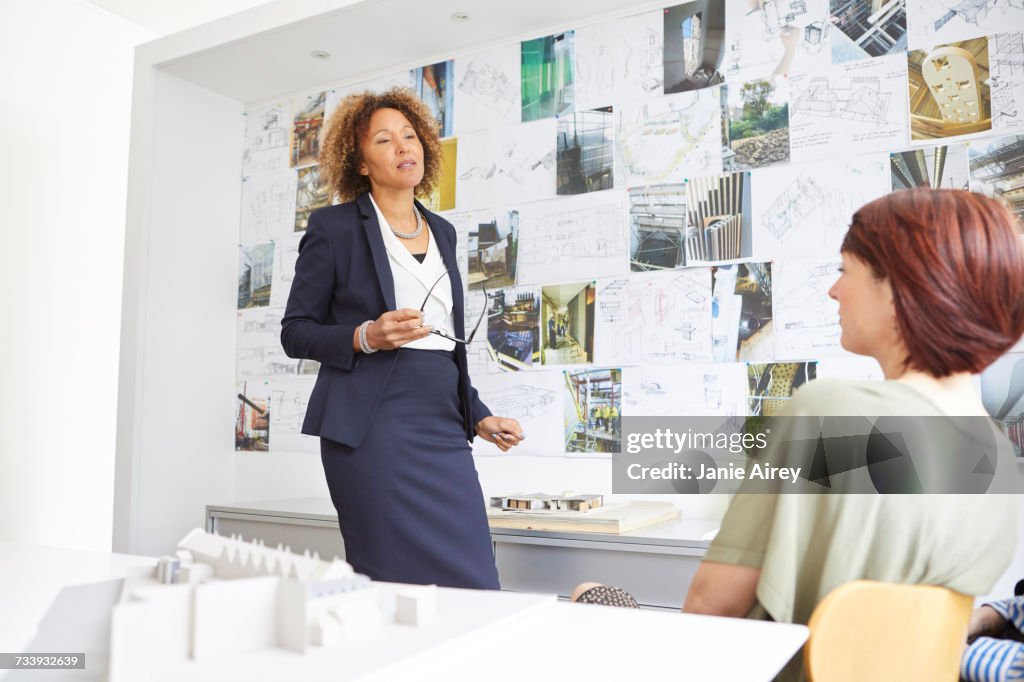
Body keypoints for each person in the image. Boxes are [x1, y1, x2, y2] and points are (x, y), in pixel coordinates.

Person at [574, 189, 1024, 680]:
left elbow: (710, 610)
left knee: (588, 596)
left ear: (899, 287)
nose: (834, 292)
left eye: (844, 271)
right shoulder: (999, 456)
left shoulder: (831, 413)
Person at [281, 87, 524, 590]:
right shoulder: (334, 228)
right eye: (385, 140)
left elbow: (443, 343)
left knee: (476, 580)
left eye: (410, 136)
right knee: (391, 584)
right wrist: (366, 335)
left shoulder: (444, 232)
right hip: (371, 428)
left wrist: (477, 414)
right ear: (361, 161)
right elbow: (295, 332)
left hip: (439, 422)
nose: (403, 148)